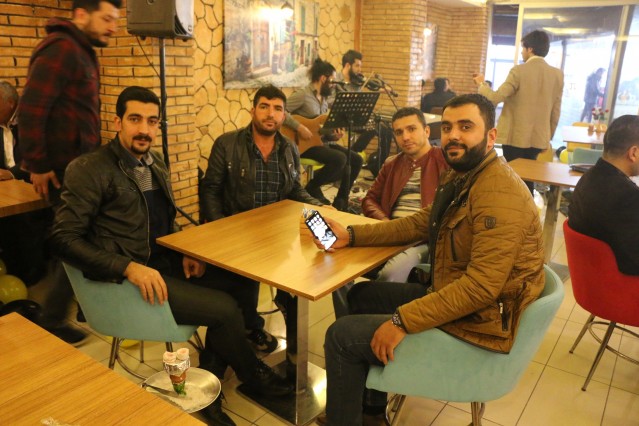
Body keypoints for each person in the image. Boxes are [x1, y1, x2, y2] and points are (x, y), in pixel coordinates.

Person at [50, 86, 293, 426]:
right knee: (224, 310)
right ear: (117, 122)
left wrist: (183, 250)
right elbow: (62, 239)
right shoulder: (90, 168)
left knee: (240, 280)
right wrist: (128, 268)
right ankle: (253, 376)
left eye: (152, 121)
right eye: (135, 119)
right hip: (123, 282)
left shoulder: (155, 163)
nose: (144, 129)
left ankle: (208, 384)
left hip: (161, 266)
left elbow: (160, 223)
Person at [316, 94, 545, 426]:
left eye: (466, 127)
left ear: (491, 136)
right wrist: (351, 235)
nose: (453, 136)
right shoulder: (464, 174)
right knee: (360, 296)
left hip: (480, 323)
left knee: (341, 336)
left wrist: (402, 321)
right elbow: (417, 223)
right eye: (448, 127)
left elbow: (480, 288)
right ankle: (371, 410)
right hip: (459, 298)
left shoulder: (499, 194)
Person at [200, 84, 326, 373]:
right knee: (236, 288)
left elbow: (295, 190)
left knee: (308, 275)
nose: (271, 114)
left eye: (278, 109)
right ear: (253, 111)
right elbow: (210, 190)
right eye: (265, 107)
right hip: (237, 232)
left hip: (277, 234)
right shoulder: (227, 144)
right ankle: (245, 334)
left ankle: (290, 352)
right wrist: (220, 230)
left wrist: (320, 209)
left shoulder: (289, 148)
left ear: (284, 115)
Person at [16, 0, 121, 345]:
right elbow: (31, 109)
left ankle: (78, 307)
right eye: (107, 19)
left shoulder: (79, 50)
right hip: (63, 172)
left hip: (78, 170)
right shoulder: (62, 49)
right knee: (76, 242)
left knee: (83, 238)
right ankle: (52, 318)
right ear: (81, 14)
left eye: (115, 20)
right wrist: (39, 165)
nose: (113, 27)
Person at [361, 106, 449, 282]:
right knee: (337, 259)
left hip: (421, 239)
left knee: (389, 274)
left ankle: (372, 298)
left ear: (426, 131)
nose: (405, 137)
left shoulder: (445, 161)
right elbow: (369, 200)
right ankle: (354, 299)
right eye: (399, 132)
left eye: (411, 129)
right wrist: (385, 222)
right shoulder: (391, 164)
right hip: (390, 233)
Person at [473, 30, 564, 193]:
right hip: (539, 138)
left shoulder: (519, 71)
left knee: (513, 178)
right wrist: (547, 138)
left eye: (523, 48)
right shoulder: (557, 75)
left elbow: (495, 98)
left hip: (514, 136)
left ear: (530, 49)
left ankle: (515, 206)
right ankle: (528, 205)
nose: (522, 52)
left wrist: (481, 84)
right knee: (527, 178)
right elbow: (556, 111)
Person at [283, 58, 363, 211]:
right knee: (340, 159)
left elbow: (320, 130)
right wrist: (299, 127)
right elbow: (282, 112)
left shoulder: (324, 99)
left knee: (356, 160)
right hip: (302, 145)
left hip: (320, 142)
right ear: (323, 78)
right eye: (332, 80)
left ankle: (341, 200)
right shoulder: (303, 95)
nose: (334, 84)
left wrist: (334, 135)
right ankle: (312, 187)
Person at [569, 114, 639, 275]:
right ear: (633, 153)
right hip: (621, 283)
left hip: (591, 277)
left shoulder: (588, 178)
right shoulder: (627, 196)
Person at [0, 81, 48, 286]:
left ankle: (30, 273)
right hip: (7, 188)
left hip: (32, 184)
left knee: (23, 222)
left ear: (10, 103)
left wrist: (11, 174)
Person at [334, 50, 394, 175]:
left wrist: (384, 89)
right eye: (357, 66)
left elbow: (373, 86)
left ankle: (379, 167)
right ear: (348, 65)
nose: (360, 70)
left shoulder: (357, 80)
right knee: (371, 128)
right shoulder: (336, 82)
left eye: (360, 66)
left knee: (386, 131)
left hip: (358, 118)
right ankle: (352, 154)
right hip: (343, 119)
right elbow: (330, 102)